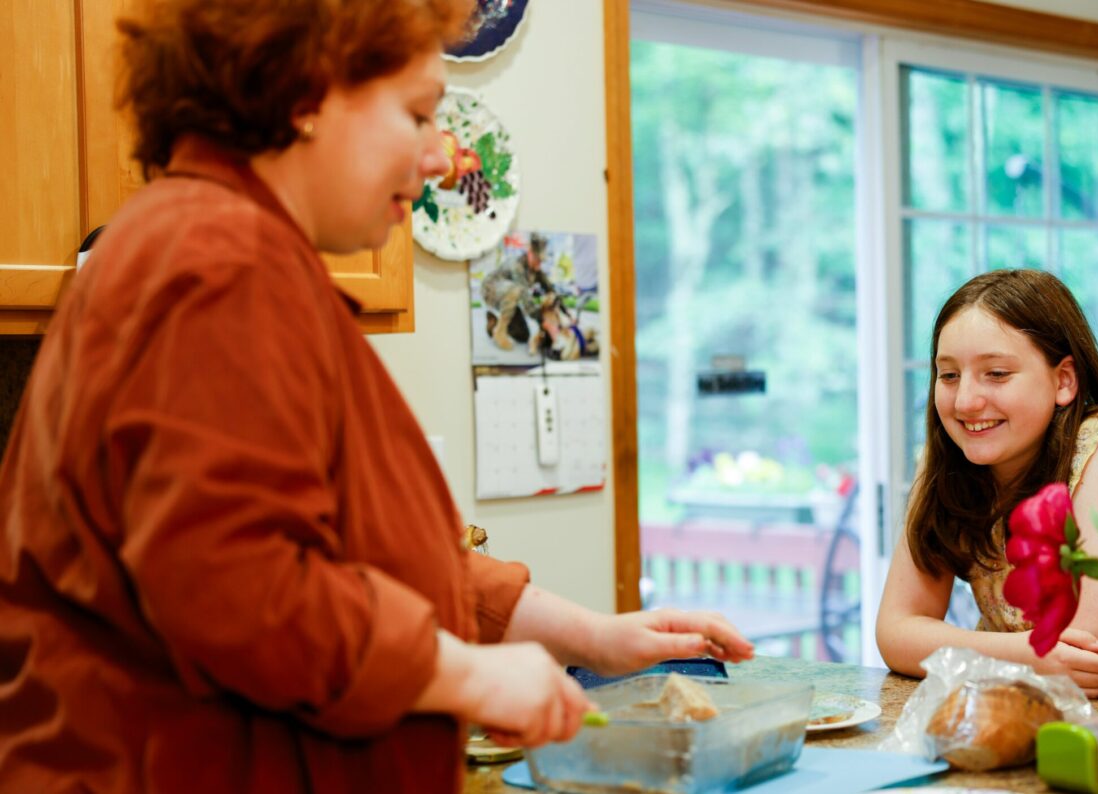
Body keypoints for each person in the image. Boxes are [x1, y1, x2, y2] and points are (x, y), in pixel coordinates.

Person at [0, 1, 752, 792]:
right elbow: (238, 587)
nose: (444, 156)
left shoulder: (219, 250)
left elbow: (358, 562)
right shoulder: (216, 267)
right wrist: (465, 675)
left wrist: (592, 637)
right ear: (309, 93)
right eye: (420, 112)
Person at [875, 269, 1098, 698]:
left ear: (1063, 381)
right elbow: (895, 632)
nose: (965, 401)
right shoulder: (946, 457)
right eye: (948, 375)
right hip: (1020, 707)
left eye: (996, 373)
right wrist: (1031, 655)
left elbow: (1095, 656)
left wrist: (970, 651)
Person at [483, 232, 553, 351]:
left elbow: (551, 289)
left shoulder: (537, 270)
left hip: (508, 296)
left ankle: (493, 322)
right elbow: (525, 298)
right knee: (516, 290)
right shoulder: (517, 265)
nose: (539, 262)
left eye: (541, 260)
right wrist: (542, 319)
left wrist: (565, 313)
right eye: (537, 258)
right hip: (491, 290)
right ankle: (500, 332)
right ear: (529, 253)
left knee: (522, 336)